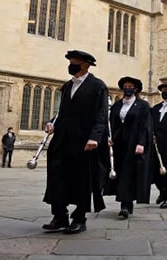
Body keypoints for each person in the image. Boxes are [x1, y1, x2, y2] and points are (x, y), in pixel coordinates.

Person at [41, 50, 108, 234]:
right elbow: (62, 112)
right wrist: (51, 122)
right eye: (70, 62)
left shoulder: (97, 86)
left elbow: (102, 114)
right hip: (62, 139)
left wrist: (95, 137)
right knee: (57, 176)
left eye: (75, 62)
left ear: (85, 65)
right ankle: (59, 215)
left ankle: (79, 218)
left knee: (81, 180)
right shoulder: (67, 86)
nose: (71, 65)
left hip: (83, 141)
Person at [105, 77, 152, 219]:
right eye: (125, 86)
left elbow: (146, 126)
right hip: (119, 145)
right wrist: (108, 138)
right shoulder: (117, 105)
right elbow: (110, 123)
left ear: (136, 89)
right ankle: (124, 202)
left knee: (130, 173)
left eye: (130, 86)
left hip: (134, 144)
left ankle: (126, 205)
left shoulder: (143, 106)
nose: (127, 88)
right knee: (120, 173)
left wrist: (141, 143)